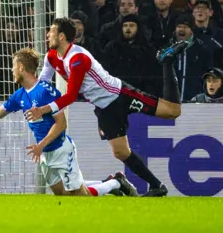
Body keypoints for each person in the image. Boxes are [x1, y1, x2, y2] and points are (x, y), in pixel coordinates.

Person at [26, 17, 185, 197]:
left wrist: (45, 109)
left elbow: (71, 95)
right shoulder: (51, 56)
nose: (48, 35)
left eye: (52, 31)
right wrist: (29, 100)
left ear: (61, 36)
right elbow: (43, 83)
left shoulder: (78, 58)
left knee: (173, 112)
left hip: (120, 95)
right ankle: (157, 186)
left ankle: (167, 62)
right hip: (104, 108)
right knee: (120, 152)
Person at [0, 48, 137, 197]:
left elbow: (61, 124)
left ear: (21, 68)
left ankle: (116, 183)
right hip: (44, 153)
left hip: (61, 150)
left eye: (13, 66)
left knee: (80, 196)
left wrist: (40, 145)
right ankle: (111, 182)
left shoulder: (45, 91)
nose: (12, 71)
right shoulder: (20, 94)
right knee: (62, 193)